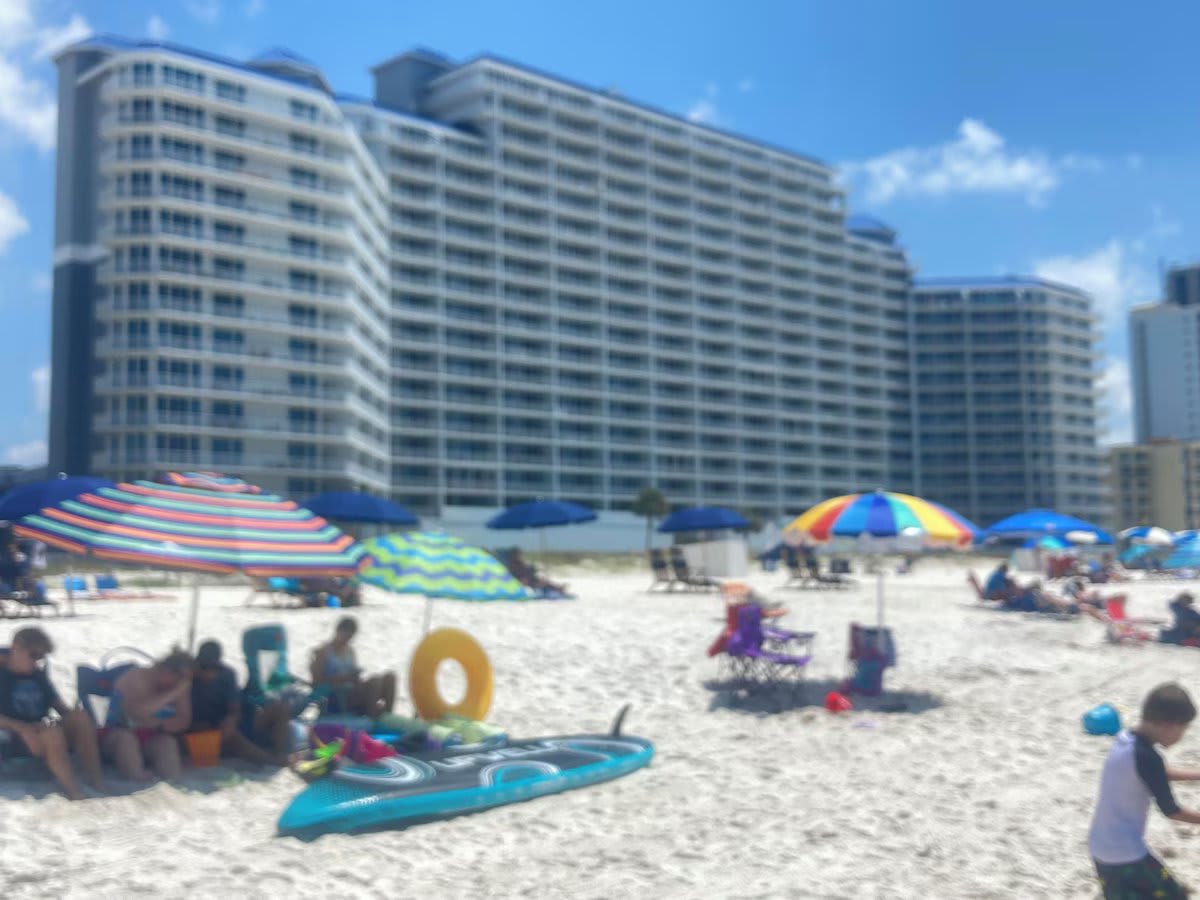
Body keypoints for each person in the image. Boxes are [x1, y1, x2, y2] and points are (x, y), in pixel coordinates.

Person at [1089, 682, 1200, 898]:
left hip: (1100, 848)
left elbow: (1157, 774)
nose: (1181, 737)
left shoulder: (1126, 740)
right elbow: (1172, 811)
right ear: (1168, 725)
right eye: (1183, 729)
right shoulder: (1149, 758)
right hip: (1125, 854)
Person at [0, 627, 105, 800]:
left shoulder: (37, 676)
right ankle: (73, 790)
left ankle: (96, 780)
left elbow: (58, 706)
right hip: (13, 735)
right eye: (33, 655)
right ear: (16, 648)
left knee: (79, 717)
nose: (37, 662)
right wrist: (21, 727)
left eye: (41, 657)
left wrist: (74, 716)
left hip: (39, 730)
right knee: (51, 733)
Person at [190, 640, 289, 766]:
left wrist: (232, 718)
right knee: (231, 735)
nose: (209, 672)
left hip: (238, 721)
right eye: (205, 667)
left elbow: (234, 708)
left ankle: (280, 753)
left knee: (280, 708)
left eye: (214, 668)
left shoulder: (227, 674)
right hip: (209, 731)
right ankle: (270, 760)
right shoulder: (189, 678)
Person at [102, 649, 193, 781]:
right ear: (166, 671)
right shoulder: (136, 678)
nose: (179, 683)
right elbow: (137, 713)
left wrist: (158, 724)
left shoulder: (177, 687)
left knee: (167, 743)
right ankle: (136, 778)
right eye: (178, 678)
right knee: (126, 740)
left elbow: (184, 721)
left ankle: (170, 780)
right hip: (115, 734)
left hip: (149, 735)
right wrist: (171, 695)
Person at [310, 617, 396, 718]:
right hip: (335, 697)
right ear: (337, 631)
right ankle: (372, 716)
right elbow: (317, 682)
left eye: (350, 637)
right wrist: (343, 678)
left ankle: (388, 715)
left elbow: (354, 678)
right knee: (375, 681)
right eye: (345, 635)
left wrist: (355, 678)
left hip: (351, 691)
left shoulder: (350, 651)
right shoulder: (324, 652)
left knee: (390, 677)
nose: (347, 639)